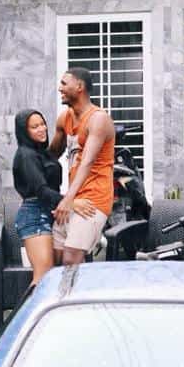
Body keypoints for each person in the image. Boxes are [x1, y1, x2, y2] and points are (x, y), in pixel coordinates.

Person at [47, 67, 113, 265]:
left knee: (70, 260)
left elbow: (88, 161)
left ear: (79, 87)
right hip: (74, 199)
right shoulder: (64, 118)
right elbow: (51, 155)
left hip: (94, 201)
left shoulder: (98, 119)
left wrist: (67, 199)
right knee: (57, 261)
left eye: (64, 84)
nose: (60, 88)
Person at [12, 109, 63, 285]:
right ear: (24, 131)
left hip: (49, 214)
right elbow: (41, 190)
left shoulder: (42, 153)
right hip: (35, 216)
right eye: (34, 127)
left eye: (42, 124)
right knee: (42, 277)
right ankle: (27, 313)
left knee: (52, 276)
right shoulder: (26, 155)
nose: (41, 129)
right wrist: (70, 202)